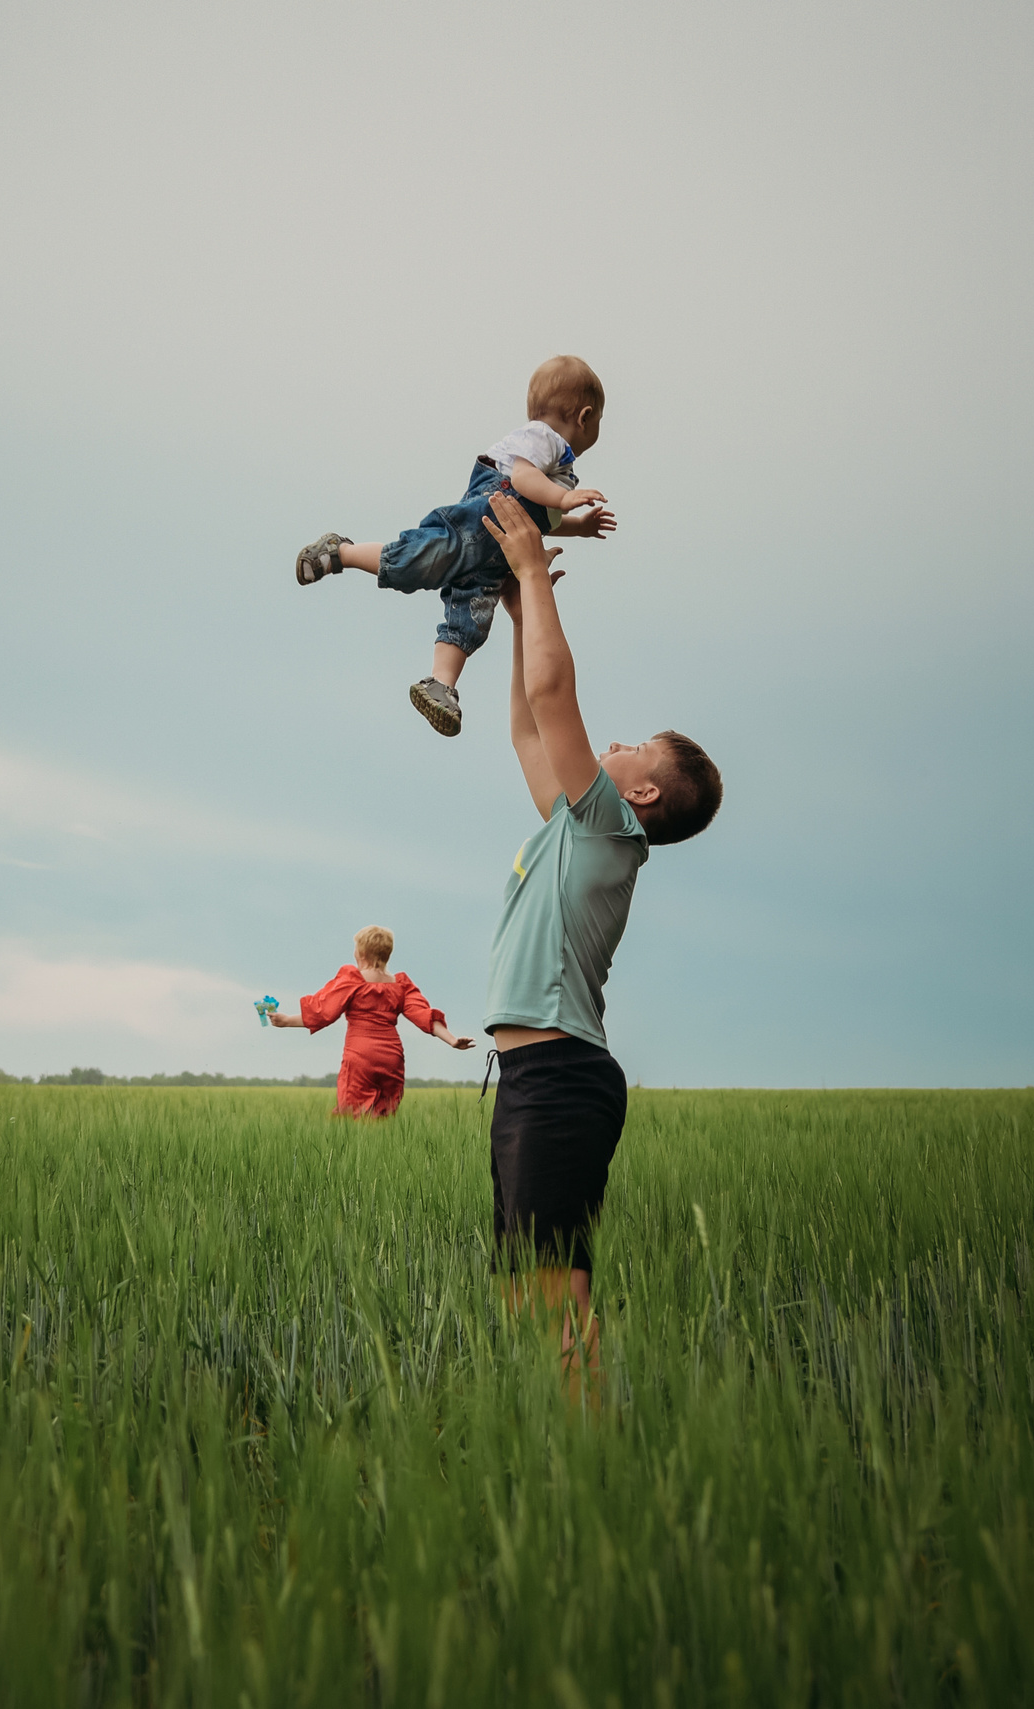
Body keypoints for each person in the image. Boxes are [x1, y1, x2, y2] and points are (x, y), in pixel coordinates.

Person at [475, 486, 722, 1383]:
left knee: (554, 1302)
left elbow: (555, 692)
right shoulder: (573, 829)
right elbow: (525, 724)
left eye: (629, 748)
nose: (607, 744)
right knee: (524, 1297)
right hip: (536, 1079)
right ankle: (563, 1463)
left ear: (643, 795)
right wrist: (515, 611)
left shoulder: (610, 827)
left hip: (559, 1081)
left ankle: (591, 1467)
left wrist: (539, 572)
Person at [293, 355, 618, 738]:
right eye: (599, 421)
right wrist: (564, 500)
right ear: (584, 416)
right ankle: (340, 552)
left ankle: (439, 683)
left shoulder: (561, 471)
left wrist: (577, 526)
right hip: (475, 527)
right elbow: (526, 478)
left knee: (469, 620)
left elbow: (541, 518)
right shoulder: (543, 439)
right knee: (415, 561)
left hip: (495, 558)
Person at [269, 925, 476, 1115]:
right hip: (392, 1058)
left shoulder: (352, 980)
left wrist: (286, 1020)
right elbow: (423, 1014)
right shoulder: (400, 985)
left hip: (360, 1055)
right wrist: (452, 1040)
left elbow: (322, 1012)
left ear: (362, 953)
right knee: (383, 1115)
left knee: (352, 1113)